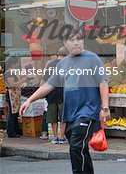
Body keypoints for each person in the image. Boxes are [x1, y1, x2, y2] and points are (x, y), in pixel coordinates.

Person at [20, 32, 110, 174]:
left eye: (79, 39)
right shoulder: (63, 63)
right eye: (72, 40)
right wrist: (30, 100)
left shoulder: (92, 59)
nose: (76, 43)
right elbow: (48, 85)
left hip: (87, 111)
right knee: (81, 149)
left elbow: (103, 82)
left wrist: (105, 107)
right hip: (69, 115)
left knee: (76, 146)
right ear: (65, 43)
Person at [41, 46, 68, 144]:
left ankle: (55, 137)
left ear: (57, 55)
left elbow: (44, 79)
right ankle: (62, 136)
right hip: (62, 94)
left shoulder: (50, 64)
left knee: (53, 118)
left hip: (51, 94)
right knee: (63, 117)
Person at [5, 56, 26, 138]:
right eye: (16, 63)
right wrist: (22, 81)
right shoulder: (8, 73)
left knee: (14, 113)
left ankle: (16, 130)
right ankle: (11, 131)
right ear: (12, 64)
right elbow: (12, 84)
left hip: (15, 95)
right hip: (11, 94)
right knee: (11, 113)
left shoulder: (13, 72)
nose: (18, 64)